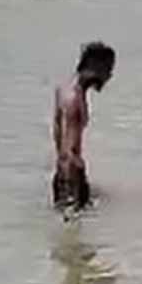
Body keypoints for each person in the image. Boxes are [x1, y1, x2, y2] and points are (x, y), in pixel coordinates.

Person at [52, 42, 116, 210]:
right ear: (96, 67)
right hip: (70, 177)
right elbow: (68, 151)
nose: (109, 76)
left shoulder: (65, 88)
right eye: (108, 69)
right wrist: (73, 193)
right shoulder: (73, 99)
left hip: (63, 174)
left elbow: (58, 134)